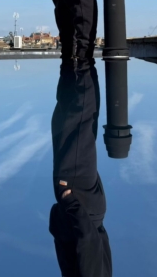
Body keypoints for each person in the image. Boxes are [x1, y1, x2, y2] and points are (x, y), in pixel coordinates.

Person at [49, 58, 112, 277]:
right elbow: (88, 242)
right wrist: (70, 204)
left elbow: (97, 240)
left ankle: (74, 49)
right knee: (78, 112)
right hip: (79, 204)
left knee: (68, 117)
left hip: (85, 208)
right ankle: (79, 40)